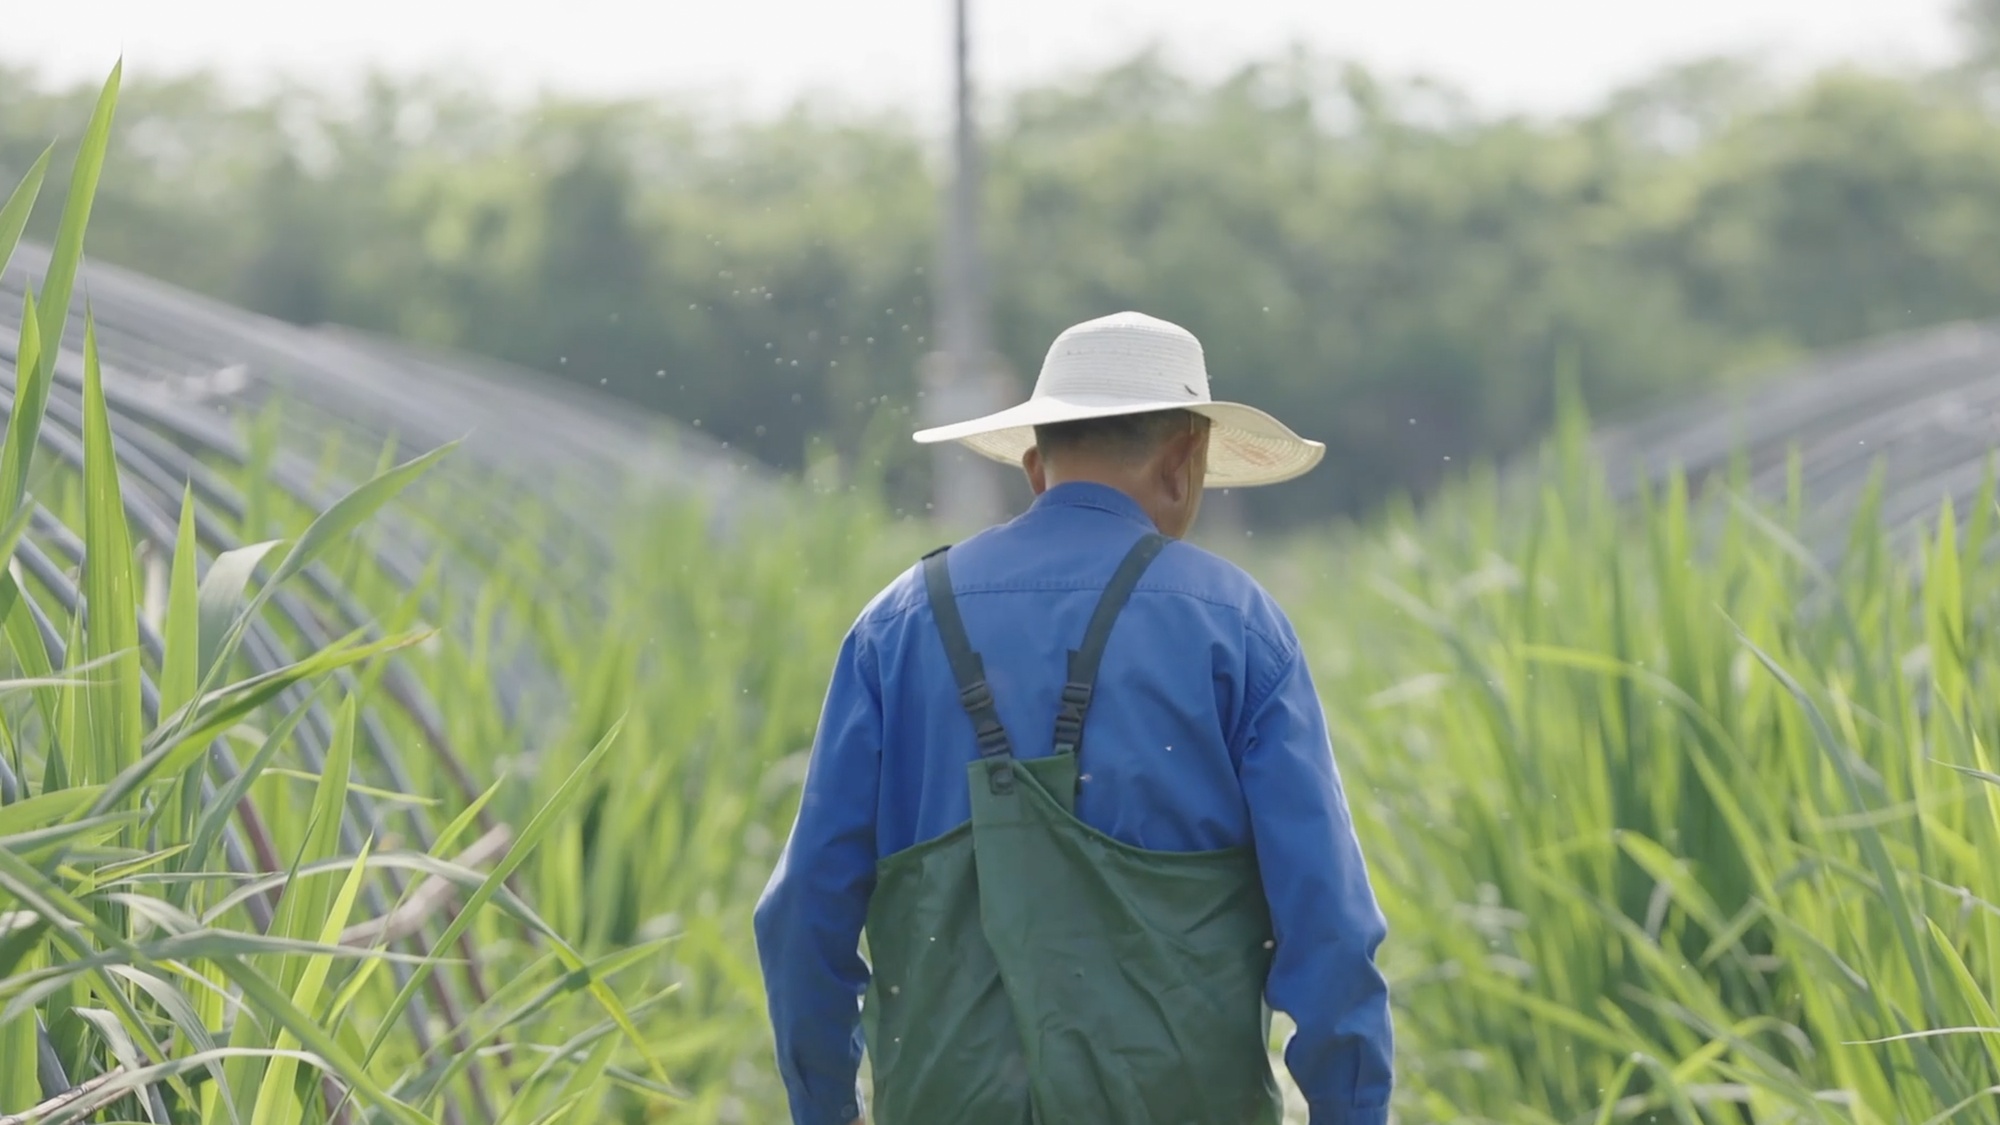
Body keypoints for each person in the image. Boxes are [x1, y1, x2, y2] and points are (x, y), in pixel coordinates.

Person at [753, 311, 1393, 1125]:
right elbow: (1328, 927)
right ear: (1184, 461)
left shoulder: (899, 624)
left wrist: (825, 1110)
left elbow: (803, 911)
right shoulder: (1236, 628)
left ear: (1034, 466)